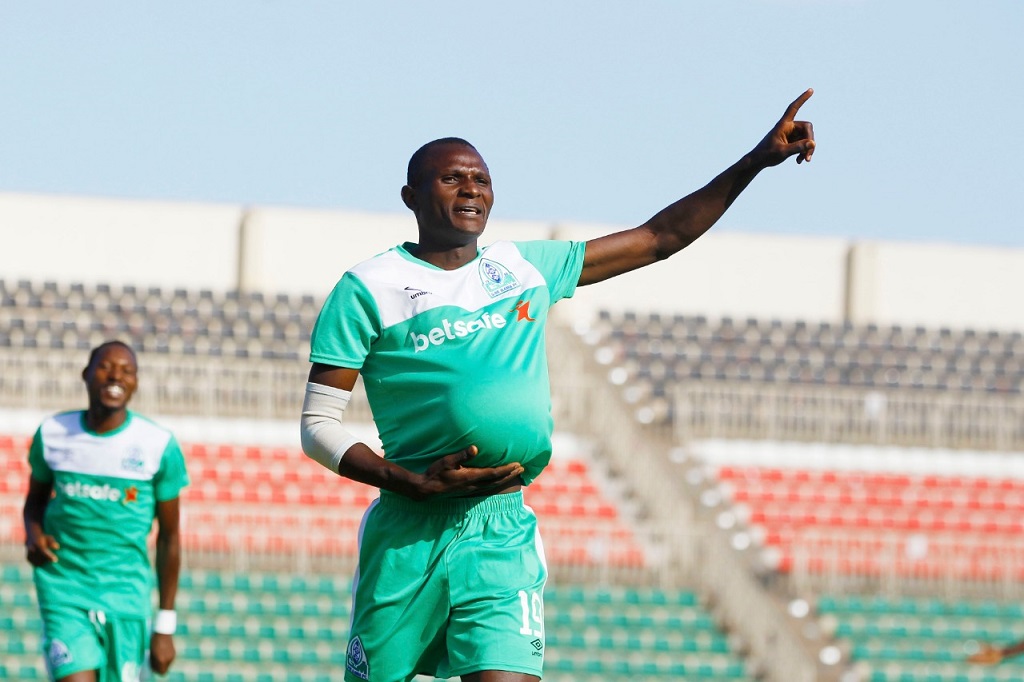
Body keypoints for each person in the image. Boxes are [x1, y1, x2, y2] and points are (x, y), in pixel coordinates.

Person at [300, 89, 816, 682]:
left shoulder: (522, 268)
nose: (472, 190)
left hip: (500, 530)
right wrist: (408, 481)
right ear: (411, 197)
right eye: (451, 179)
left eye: (482, 180)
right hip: (408, 534)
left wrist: (754, 160)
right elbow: (318, 428)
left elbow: (659, 237)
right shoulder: (367, 287)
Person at [23, 340, 189, 682]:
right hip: (64, 588)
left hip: (126, 597)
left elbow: (170, 538)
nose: (116, 375)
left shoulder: (158, 445)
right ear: (86, 374)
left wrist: (165, 626)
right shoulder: (54, 434)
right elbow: (34, 500)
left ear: (136, 383)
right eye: (106, 366)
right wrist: (33, 534)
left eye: (127, 370)